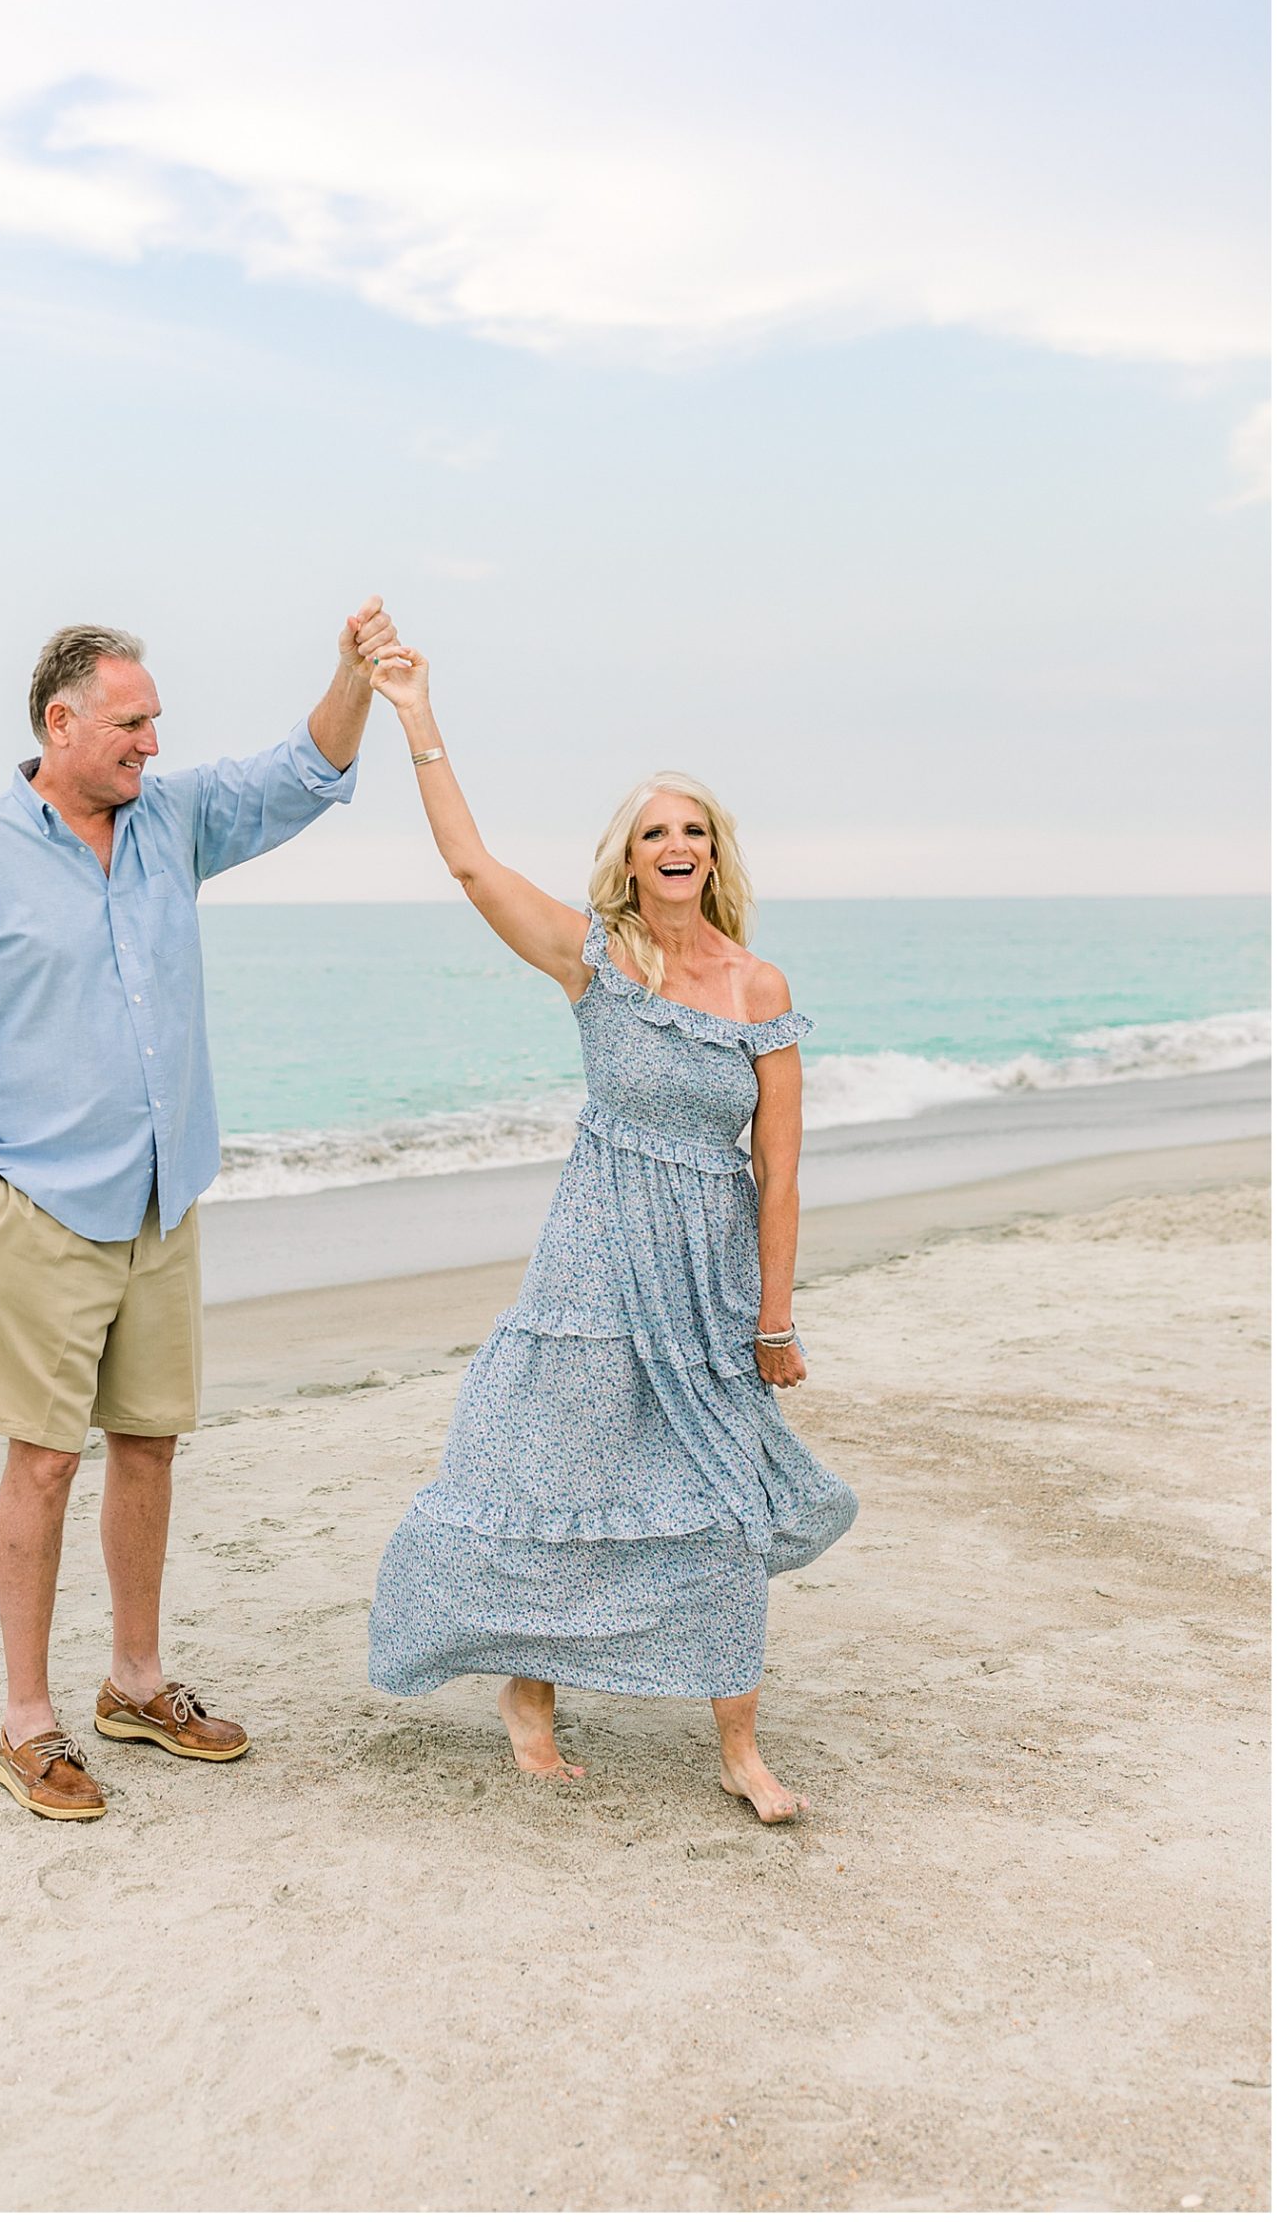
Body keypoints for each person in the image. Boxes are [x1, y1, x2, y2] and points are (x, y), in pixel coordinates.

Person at [0, 601, 398, 1822]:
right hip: (40, 1211)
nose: (152, 744)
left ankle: (135, 1682)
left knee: (151, 1442)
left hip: (164, 1201)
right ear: (60, 725)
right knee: (44, 1461)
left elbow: (305, 767)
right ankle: (27, 1722)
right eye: (130, 723)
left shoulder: (172, 823)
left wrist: (352, 674)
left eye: (156, 721)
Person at [364, 646, 856, 1821]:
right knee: (553, 1474)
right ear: (627, 859)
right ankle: (526, 1693)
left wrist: (774, 1316)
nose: (675, 846)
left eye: (693, 829)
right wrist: (418, 716)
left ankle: (739, 1746)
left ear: (716, 852)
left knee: (725, 1497)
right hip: (594, 1260)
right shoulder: (597, 957)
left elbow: (778, 1175)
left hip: (711, 1274)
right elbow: (474, 867)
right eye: (652, 833)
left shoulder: (760, 988)